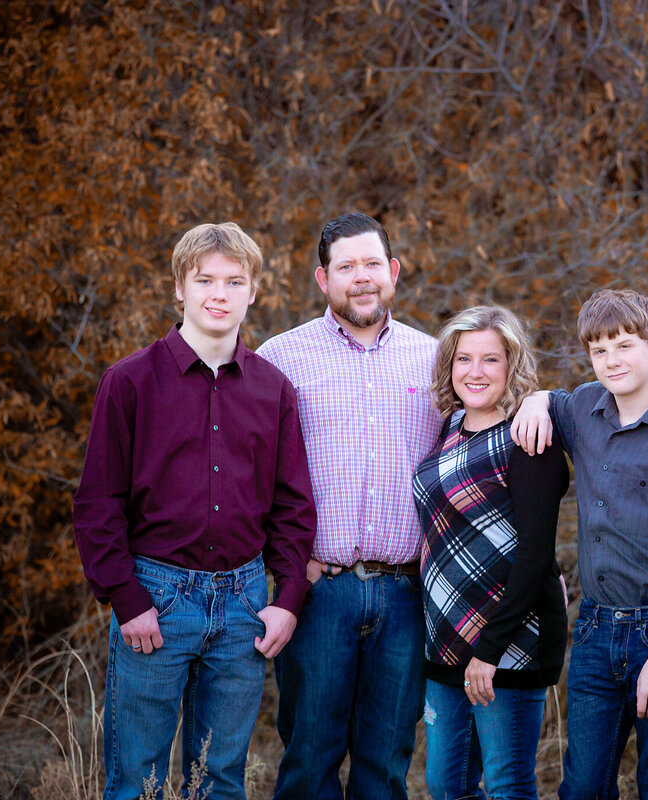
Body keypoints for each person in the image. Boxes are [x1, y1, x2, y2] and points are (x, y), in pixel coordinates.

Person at [72, 222, 316, 800]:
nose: (219, 293)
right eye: (205, 279)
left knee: (221, 780)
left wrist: (286, 603)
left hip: (244, 606)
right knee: (138, 780)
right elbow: (97, 501)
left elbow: (292, 505)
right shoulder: (129, 382)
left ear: (254, 291)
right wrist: (126, 600)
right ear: (179, 287)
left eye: (235, 281)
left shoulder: (273, 389)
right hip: (156, 599)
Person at [255, 213, 443, 800]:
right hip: (318, 590)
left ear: (392, 272)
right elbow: (248, 473)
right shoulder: (280, 358)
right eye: (346, 267)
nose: (360, 279)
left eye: (371, 265)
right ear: (322, 279)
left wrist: (541, 401)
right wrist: (285, 565)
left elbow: (483, 435)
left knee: (386, 766)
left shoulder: (438, 360)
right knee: (309, 761)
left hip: (405, 594)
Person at [511, 289, 648, 800]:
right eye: (599, 351)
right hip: (596, 630)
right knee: (583, 786)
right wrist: (536, 399)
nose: (612, 361)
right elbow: (552, 400)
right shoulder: (584, 407)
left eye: (625, 346)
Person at [413, 306, 570, 800]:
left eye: (490, 359)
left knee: (507, 786)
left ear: (511, 365)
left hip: (508, 647)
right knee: (446, 784)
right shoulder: (448, 431)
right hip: (444, 643)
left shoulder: (529, 440)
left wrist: (489, 651)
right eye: (464, 359)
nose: (475, 372)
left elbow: (534, 557)